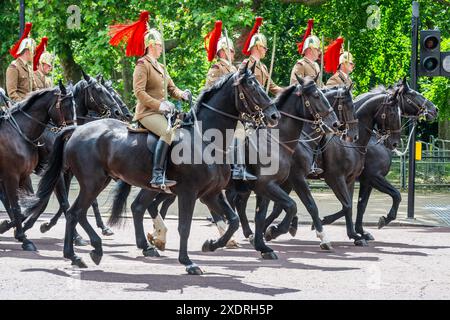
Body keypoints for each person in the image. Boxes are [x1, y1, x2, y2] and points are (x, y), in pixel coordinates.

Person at [109, 11, 190, 189]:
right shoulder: (142, 64)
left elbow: (171, 88)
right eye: (160, 45)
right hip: (147, 112)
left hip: (163, 111)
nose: (162, 49)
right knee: (168, 132)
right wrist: (160, 105)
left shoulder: (161, 67)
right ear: (151, 45)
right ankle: (157, 174)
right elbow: (139, 92)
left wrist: (182, 94)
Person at [290, 19, 324, 175]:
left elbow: (320, 87)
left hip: (315, 104)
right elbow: (294, 85)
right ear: (310, 49)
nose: (319, 53)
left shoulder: (316, 66)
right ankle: (304, 162)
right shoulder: (301, 64)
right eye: (317, 49)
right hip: (304, 105)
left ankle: (318, 161)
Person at [241, 17, 283, 96]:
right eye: (264, 48)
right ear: (258, 47)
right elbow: (240, 86)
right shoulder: (246, 64)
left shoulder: (263, 67)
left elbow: (272, 87)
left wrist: (288, 91)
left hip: (260, 101)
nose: (266, 50)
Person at [6, 22, 36, 102]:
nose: (34, 55)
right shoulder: (14, 67)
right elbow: (12, 93)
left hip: (30, 107)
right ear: (27, 52)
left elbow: (35, 90)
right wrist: (24, 105)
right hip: (19, 108)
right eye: (33, 52)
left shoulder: (29, 68)